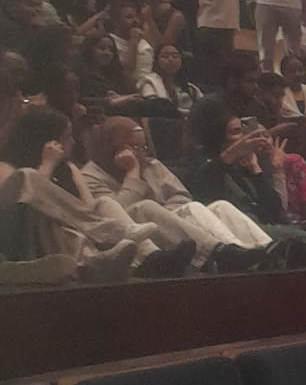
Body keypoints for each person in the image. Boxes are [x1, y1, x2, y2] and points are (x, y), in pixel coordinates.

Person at [0, 107, 194, 280]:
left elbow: (88, 209)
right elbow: (23, 207)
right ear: (48, 141)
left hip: (81, 232)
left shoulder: (70, 168)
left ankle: (150, 257)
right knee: (30, 178)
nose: (73, 142)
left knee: (104, 203)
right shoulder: (7, 168)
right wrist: (47, 165)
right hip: (30, 235)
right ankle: (108, 241)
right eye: (66, 137)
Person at [80, 115, 275, 271]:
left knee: (219, 206)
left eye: (143, 147)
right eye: (133, 146)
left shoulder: (152, 165)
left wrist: (167, 213)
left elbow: (182, 196)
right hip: (138, 236)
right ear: (112, 146)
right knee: (149, 207)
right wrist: (132, 174)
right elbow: (116, 214)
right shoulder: (90, 176)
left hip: (172, 223)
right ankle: (224, 253)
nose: (140, 153)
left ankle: (267, 250)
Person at [186, 99, 306, 265]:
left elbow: (275, 210)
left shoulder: (246, 164)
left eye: (243, 131)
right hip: (240, 229)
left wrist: (256, 170)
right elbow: (206, 195)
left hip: (267, 224)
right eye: (236, 132)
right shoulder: (205, 165)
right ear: (218, 137)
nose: (244, 137)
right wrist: (231, 154)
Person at [137, 43, 203, 118]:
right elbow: (155, 108)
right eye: (165, 56)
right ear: (156, 60)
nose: (171, 59)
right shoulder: (149, 82)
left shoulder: (190, 87)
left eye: (175, 56)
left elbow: (203, 106)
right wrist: (190, 113)